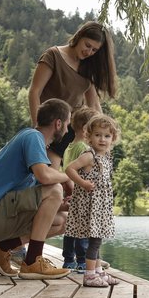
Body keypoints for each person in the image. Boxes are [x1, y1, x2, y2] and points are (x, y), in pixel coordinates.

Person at [0, 99, 74, 280]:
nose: (68, 130)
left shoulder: (33, 141)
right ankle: (32, 262)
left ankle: (1, 248)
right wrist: (70, 175)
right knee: (54, 189)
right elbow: (44, 176)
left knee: (63, 220)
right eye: (67, 124)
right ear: (58, 123)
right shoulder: (32, 137)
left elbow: (34, 194)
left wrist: (59, 206)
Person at [28, 21, 117, 170]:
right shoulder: (53, 55)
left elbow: (93, 105)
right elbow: (34, 92)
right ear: (79, 36)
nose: (89, 52)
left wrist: (106, 135)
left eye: (94, 50)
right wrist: (38, 129)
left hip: (72, 129)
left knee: (74, 176)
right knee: (49, 173)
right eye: (87, 45)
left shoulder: (87, 67)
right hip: (49, 124)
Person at [65, 114, 121, 287]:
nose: (102, 139)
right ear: (89, 136)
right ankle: (89, 275)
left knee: (98, 239)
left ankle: (98, 272)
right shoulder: (89, 156)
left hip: (100, 206)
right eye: (97, 135)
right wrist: (82, 183)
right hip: (89, 205)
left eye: (106, 136)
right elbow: (69, 169)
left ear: (113, 138)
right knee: (94, 240)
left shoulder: (106, 156)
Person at [61, 107, 96, 271]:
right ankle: (82, 260)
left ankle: (69, 259)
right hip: (81, 192)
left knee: (71, 227)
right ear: (85, 129)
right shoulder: (83, 148)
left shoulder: (69, 146)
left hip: (71, 191)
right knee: (83, 228)